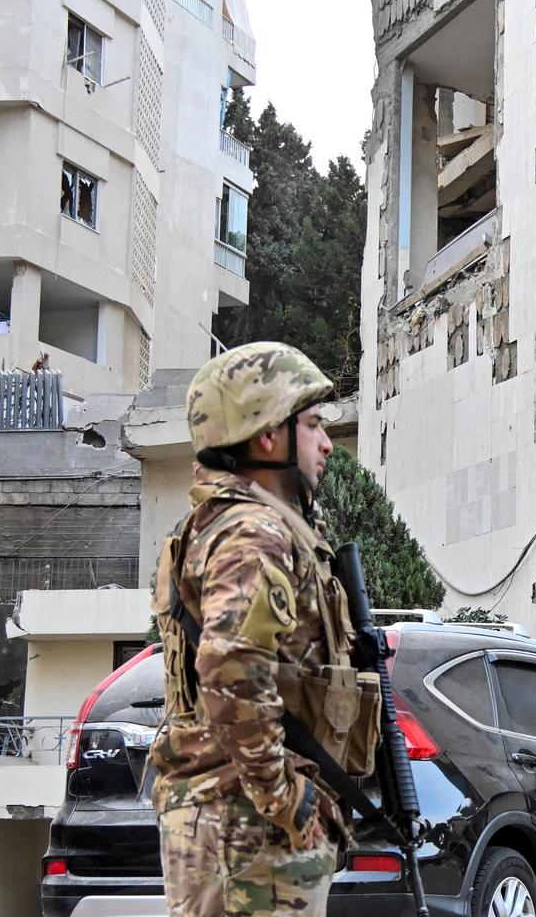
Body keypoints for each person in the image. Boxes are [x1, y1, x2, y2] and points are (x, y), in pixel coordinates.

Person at [150, 342, 370, 917]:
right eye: (314, 424)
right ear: (266, 436)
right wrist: (285, 799)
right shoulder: (253, 532)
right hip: (242, 823)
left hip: (237, 817)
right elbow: (230, 666)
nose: (326, 443)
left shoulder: (250, 525)